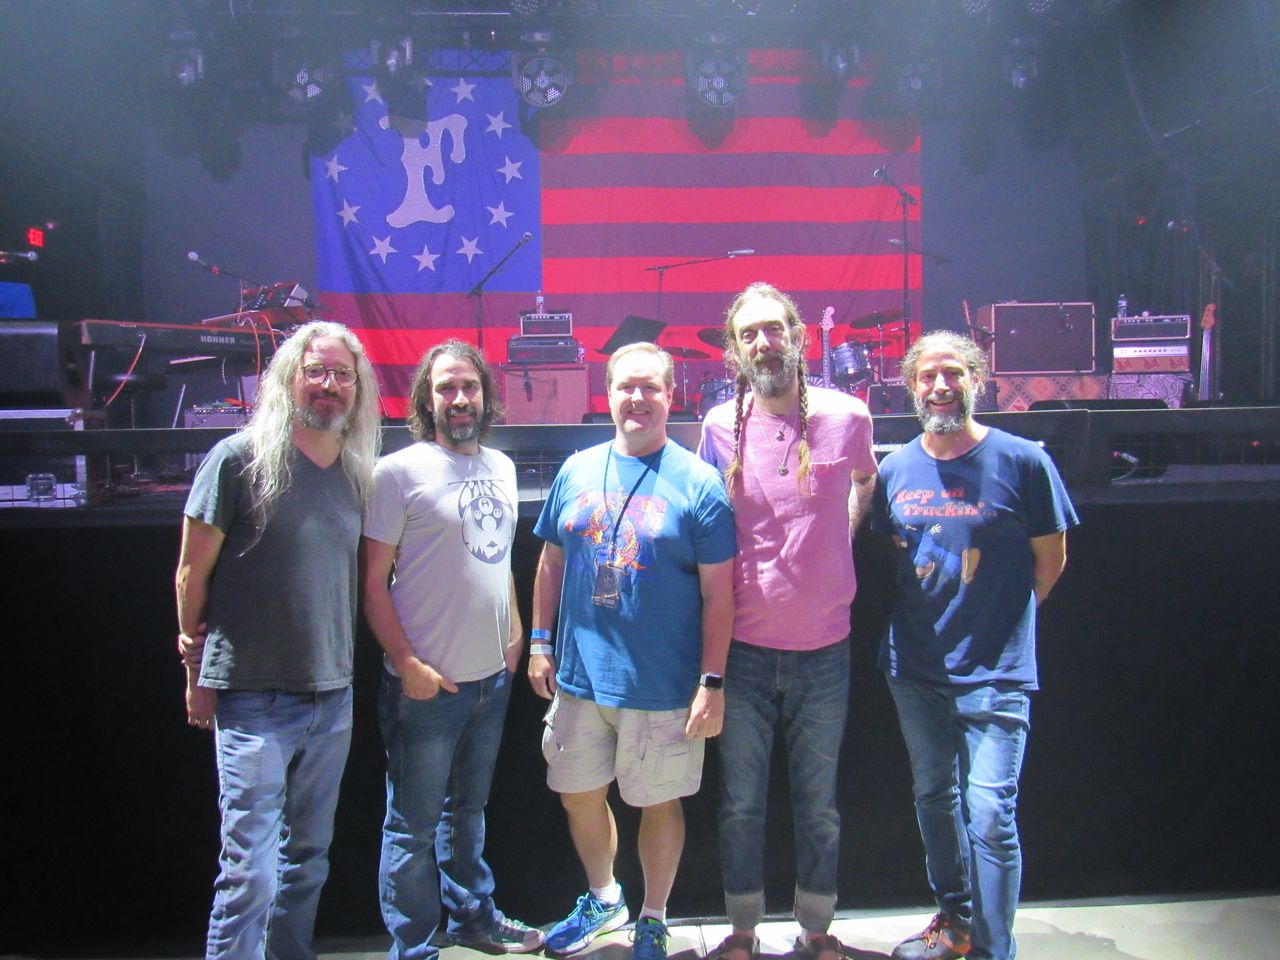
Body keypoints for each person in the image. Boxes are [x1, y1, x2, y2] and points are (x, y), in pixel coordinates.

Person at [175, 320, 383, 960]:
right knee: (251, 874)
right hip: (252, 698)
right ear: (289, 378)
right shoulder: (237, 459)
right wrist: (195, 673)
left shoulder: (357, 475)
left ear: (357, 390)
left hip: (332, 697)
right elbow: (190, 573)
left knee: (308, 862)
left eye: (342, 374)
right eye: (316, 371)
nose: (329, 385)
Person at [872, 331, 1078, 960]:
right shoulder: (894, 469)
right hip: (914, 668)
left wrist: (999, 622)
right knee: (934, 799)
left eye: (954, 373)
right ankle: (956, 924)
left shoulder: (1024, 461)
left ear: (976, 381)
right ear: (911, 387)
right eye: (928, 375)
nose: (941, 385)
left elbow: (1051, 560)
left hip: (996, 673)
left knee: (990, 815)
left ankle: (994, 949)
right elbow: (896, 556)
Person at [527, 342, 736, 960]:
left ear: (671, 396)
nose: (637, 399)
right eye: (626, 387)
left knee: (658, 802)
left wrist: (712, 682)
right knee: (577, 793)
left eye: (650, 387)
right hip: (579, 678)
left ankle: (653, 917)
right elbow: (550, 562)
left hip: (661, 683)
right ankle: (604, 897)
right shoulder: (577, 469)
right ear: (608, 393)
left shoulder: (700, 483)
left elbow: (720, 594)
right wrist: (539, 641)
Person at [697, 283, 878, 960]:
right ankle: (743, 932)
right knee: (740, 804)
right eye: (749, 333)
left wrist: (843, 537)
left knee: (818, 806)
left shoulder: (848, 415)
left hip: (825, 649)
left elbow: (865, 480)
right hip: (742, 649)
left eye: (774, 329)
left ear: (798, 337)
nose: (763, 343)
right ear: (734, 350)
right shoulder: (719, 426)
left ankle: (816, 930)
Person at [361, 339, 543, 960]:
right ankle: (413, 949)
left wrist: (514, 639)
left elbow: (499, 561)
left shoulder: (502, 467)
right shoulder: (397, 473)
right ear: (426, 399)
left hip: (491, 681)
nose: (459, 398)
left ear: (486, 395)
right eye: (446, 388)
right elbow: (372, 584)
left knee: (467, 812)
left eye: (469, 386)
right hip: (426, 689)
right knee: (411, 829)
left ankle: (473, 920)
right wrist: (407, 665)